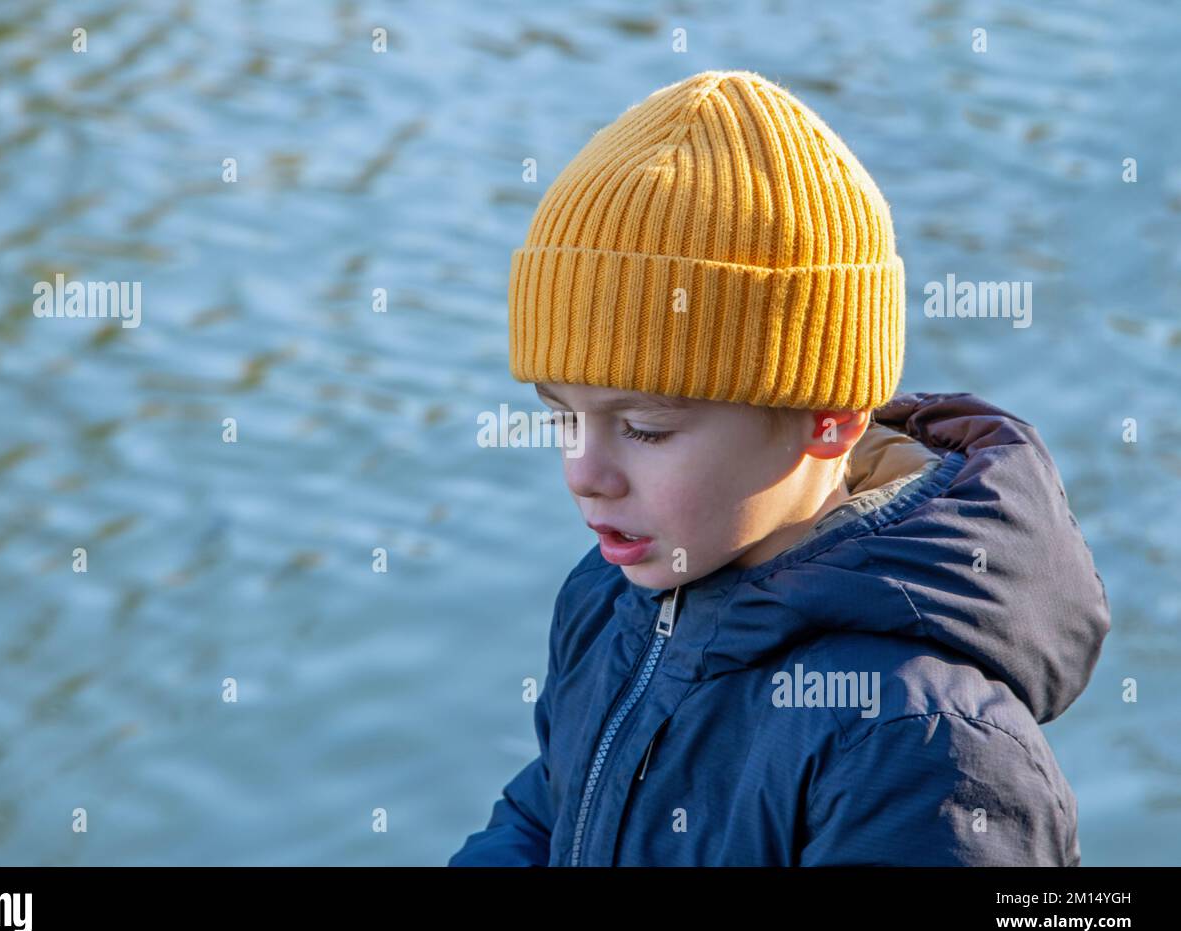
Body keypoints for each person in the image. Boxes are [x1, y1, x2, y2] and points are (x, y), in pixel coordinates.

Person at [448, 70, 1110, 866]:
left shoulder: (919, 743)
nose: (583, 473)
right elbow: (551, 811)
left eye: (645, 428)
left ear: (829, 423)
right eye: (561, 416)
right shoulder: (610, 600)